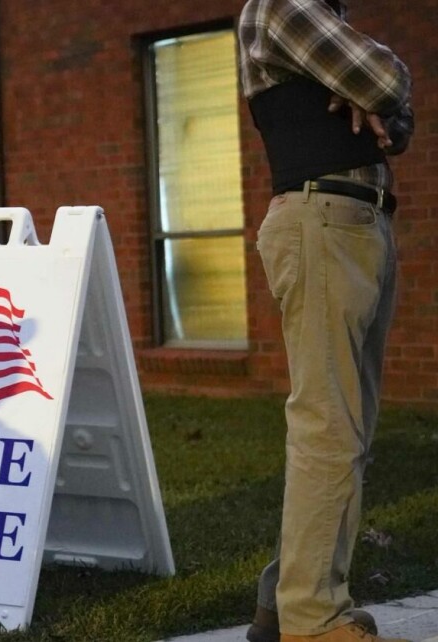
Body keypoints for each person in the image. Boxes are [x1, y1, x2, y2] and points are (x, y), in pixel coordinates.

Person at [237, 1, 414, 641]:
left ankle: (285, 601)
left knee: (346, 431)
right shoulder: (285, 6)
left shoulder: (325, 20)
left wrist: (377, 103)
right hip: (324, 222)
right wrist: (367, 88)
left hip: (361, 220)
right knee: (329, 426)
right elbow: (388, 81)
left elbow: (398, 119)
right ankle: (312, 620)